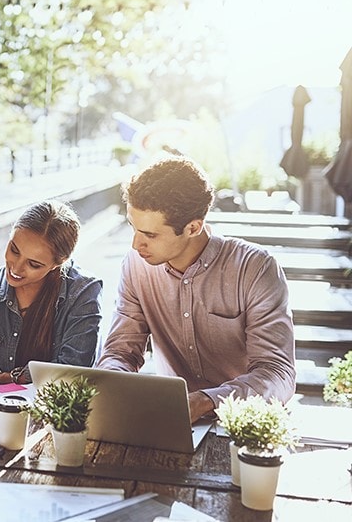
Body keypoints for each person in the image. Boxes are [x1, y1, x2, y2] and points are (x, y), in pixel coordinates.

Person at [96, 157, 295, 423]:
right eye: (133, 228)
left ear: (193, 227)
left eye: (150, 235)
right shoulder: (136, 266)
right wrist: (112, 382)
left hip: (246, 423)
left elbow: (277, 372)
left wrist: (205, 401)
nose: (135, 244)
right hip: (168, 421)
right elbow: (120, 352)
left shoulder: (255, 269)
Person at [0, 201, 103, 386]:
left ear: (58, 263)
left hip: (59, 406)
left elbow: (74, 370)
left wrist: (10, 378)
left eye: (34, 264)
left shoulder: (83, 293)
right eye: (14, 250)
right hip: (4, 406)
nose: (16, 267)